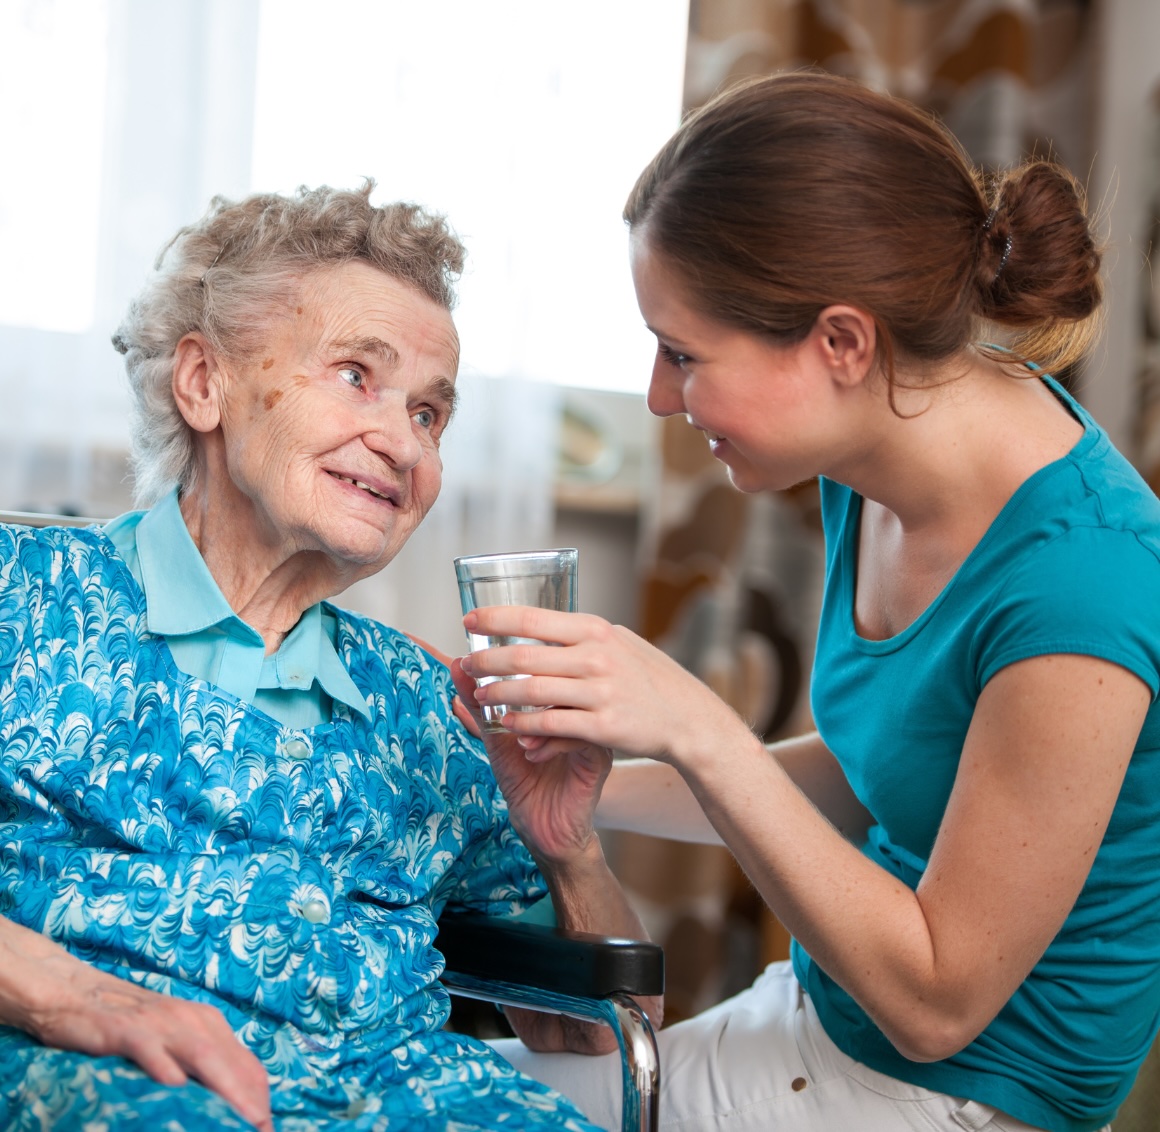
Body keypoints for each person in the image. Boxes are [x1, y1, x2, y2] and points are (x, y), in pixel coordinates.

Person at [459, 72, 1160, 1132]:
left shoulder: (1084, 585)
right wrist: (576, 788)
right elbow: (879, 763)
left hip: (951, 1099)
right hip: (809, 1028)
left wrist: (698, 726)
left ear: (839, 342)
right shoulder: (872, 458)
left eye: (683, 353)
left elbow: (935, 1002)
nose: (658, 395)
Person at [0, 183, 658, 1132]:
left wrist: (568, 851)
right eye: (357, 374)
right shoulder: (26, 596)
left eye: (431, 414)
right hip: (118, 1087)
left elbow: (594, 1035)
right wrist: (60, 992)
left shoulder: (431, 706)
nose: (401, 441)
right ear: (203, 384)